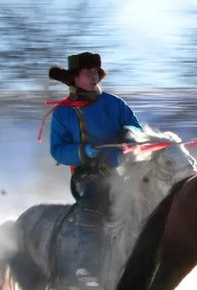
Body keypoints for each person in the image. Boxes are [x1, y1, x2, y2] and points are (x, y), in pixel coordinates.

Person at [48, 52, 142, 205]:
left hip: (126, 169)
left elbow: (136, 128)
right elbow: (58, 150)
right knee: (96, 204)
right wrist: (84, 151)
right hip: (89, 176)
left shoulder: (115, 103)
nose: (94, 76)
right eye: (88, 73)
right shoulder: (62, 112)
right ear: (75, 77)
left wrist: (131, 135)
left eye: (96, 72)